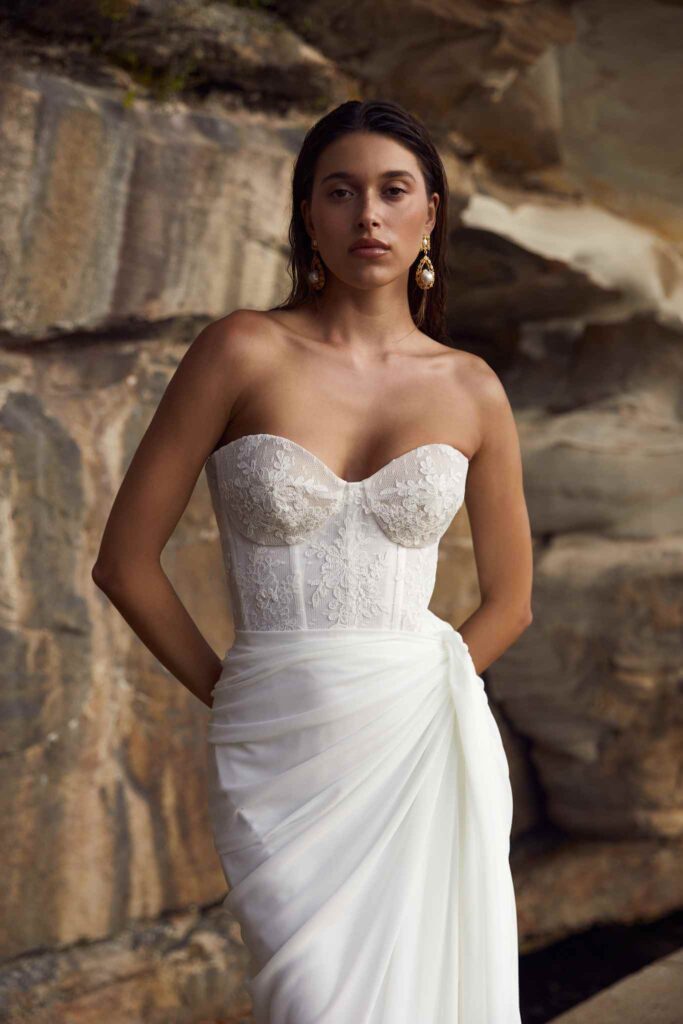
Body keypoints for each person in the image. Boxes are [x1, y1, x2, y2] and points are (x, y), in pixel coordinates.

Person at [93, 98, 533, 1023]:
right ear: (307, 215)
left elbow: (511, 601)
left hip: (418, 740)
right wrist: (238, 690)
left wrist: (425, 690)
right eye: (339, 192)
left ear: (429, 216)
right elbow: (126, 561)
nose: (365, 215)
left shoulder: (469, 387)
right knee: (312, 1000)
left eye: (391, 191)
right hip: (278, 743)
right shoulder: (241, 350)